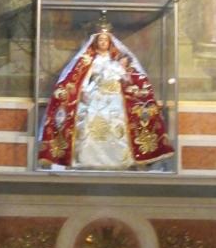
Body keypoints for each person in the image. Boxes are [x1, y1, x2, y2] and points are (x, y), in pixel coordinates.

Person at [37, 24, 174, 170]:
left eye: (105, 40)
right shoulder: (89, 59)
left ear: (110, 42)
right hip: (96, 93)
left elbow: (128, 77)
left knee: (118, 121)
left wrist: (127, 80)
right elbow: (83, 77)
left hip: (115, 95)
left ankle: (120, 159)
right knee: (91, 120)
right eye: (100, 40)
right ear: (96, 42)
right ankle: (88, 159)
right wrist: (83, 90)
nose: (103, 43)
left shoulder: (116, 58)